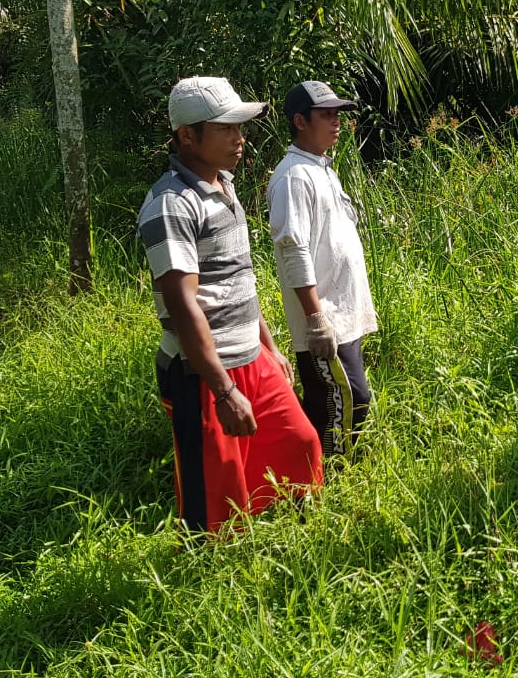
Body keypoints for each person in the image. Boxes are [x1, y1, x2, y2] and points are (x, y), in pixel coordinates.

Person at [138, 76, 323, 533]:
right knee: (216, 500)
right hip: (201, 372)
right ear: (187, 136)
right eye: (225, 128)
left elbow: (238, 278)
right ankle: (213, 576)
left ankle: (297, 545)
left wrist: (269, 347)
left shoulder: (226, 186)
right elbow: (183, 307)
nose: (239, 138)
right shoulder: (170, 205)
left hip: (251, 356)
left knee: (301, 446)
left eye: (240, 127)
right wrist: (222, 389)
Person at [268, 80, 378, 464]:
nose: (335, 123)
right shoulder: (293, 176)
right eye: (325, 115)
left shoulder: (321, 168)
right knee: (343, 402)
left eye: (337, 114)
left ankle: (321, 474)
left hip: (342, 315)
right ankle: (328, 478)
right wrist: (315, 319)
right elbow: (293, 248)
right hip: (325, 318)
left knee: (344, 400)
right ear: (299, 121)